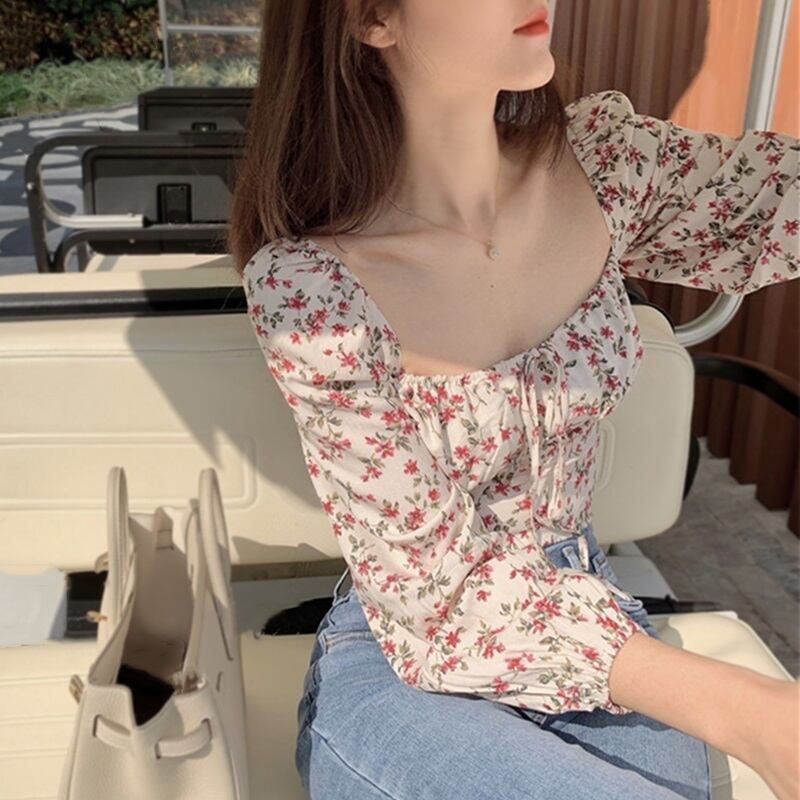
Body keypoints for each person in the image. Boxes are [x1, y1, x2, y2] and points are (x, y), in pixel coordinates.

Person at [229, 2, 800, 798]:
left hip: (595, 617)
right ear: (372, 19)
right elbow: (438, 600)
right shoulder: (312, 290)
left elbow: (772, 203)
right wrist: (753, 713)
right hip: (406, 657)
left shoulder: (604, 166)